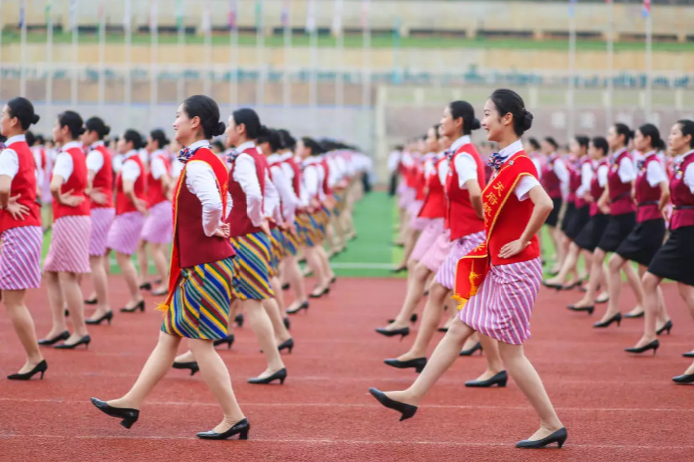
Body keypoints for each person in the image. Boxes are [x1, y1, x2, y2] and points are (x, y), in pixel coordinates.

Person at [368, 89, 566, 450]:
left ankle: (551, 423)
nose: (483, 120)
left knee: (511, 353)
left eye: (489, 113)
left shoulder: (520, 165)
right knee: (459, 326)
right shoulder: (503, 162)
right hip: (499, 265)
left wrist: (523, 240)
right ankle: (413, 394)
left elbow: (545, 203)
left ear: (507, 119)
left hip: (515, 269)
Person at [91, 95, 249, 440]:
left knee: (201, 345)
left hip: (204, 266)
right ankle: (132, 400)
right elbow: (229, 198)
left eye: (179, 115)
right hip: (203, 264)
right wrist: (219, 222)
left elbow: (214, 201)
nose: (174, 121)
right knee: (169, 338)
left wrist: (212, 227)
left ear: (195, 122)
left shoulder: (197, 164)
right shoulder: (209, 160)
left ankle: (233, 416)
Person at [626, 121, 694, 383]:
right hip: (680, 228)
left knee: (650, 278)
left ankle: (650, 335)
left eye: (675, 133)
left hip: (687, 232)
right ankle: (650, 334)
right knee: (685, 289)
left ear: (688, 138)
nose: (670, 137)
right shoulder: (681, 163)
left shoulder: (690, 165)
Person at [605, 124, 669, 331]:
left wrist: (658, 207)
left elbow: (665, 190)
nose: (635, 141)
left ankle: (613, 310)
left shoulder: (652, 163)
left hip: (651, 221)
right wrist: (636, 193)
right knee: (645, 273)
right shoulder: (643, 162)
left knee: (617, 263)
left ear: (648, 139)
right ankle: (663, 319)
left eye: (639, 137)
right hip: (644, 219)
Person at [0, 97, 47, 379]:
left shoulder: (9, 151)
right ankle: (34, 357)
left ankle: (35, 357)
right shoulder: (23, 149)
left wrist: (4, 204)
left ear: (14, 120)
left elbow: (4, 187)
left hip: (18, 227)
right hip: (24, 227)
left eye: (3, 113)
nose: (1, 118)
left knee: (14, 300)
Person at [41, 111, 92, 349]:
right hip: (75, 216)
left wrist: (61, 197)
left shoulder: (66, 155)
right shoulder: (79, 152)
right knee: (51, 272)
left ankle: (79, 329)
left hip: (71, 217)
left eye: (55, 125)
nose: (52, 130)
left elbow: (53, 186)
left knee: (67, 274)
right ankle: (60, 326)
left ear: (64, 130)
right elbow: (86, 185)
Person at [106, 130, 148, 313]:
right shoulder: (132, 161)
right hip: (127, 213)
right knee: (105, 251)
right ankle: (100, 293)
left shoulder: (131, 163)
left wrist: (134, 201)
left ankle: (136, 296)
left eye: (121, 139)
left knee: (122, 256)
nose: (118, 142)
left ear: (129, 143)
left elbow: (129, 188)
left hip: (128, 214)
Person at [81, 117, 115, 325]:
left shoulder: (95, 154)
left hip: (98, 210)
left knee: (95, 260)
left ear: (93, 133)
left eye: (84, 131)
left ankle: (103, 306)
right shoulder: (102, 152)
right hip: (103, 209)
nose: (81, 134)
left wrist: (89, 193)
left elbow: (86, 180)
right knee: (98, 259)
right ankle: (101, 303)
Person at [137, 129, 173, 296]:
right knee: (149, 244)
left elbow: (166, 180)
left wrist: (166, 192)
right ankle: (144, 278)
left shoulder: (157, 160)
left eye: (149, 140)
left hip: (160, 207)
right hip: (160, 206)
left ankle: (165, 282)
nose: (147, 144)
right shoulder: (161, 158)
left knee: (154, 246)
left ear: (156, 142)